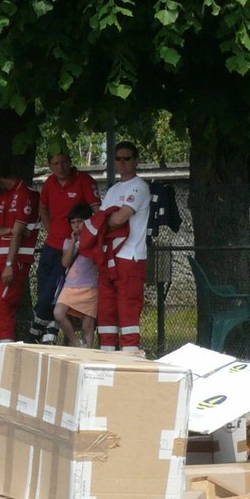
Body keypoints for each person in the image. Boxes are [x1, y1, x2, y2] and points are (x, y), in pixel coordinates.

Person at [32, 149, 98, 341]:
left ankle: (46, 334)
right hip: (52, 245)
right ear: (50, 166)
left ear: (70, 162)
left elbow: (97, 210)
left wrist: (89, 236)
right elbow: (42, 208)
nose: (60, 167)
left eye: (63, 162)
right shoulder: (49, 184)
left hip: (77, 248)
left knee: (57, 292)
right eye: (55, 164)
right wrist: (51, 229)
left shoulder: (84, 181)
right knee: (44, 291)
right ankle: (42, 335)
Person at [0, 156, 39, 354]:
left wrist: (9, 263)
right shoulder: (3, 196)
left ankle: (5, 353)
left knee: (3, 306)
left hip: (13, 262)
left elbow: (20, 232)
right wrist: (10, 230)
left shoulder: (25, 193)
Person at [98, 142, 151, 356]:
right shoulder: (113, 190)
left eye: (127, 158)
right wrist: (107, 219)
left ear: (136, 161)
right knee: (107, 311)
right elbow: (103, 219)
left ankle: (130, 359)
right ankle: (106, 357)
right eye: (118, 158)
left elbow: (118, 218)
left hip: (131, 257)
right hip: (109, 256)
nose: (122, 162)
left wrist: (108, 218)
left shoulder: (139, 186)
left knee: (128, 311)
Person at [54, 203, 99, 347]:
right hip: (70, 285)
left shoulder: (94, 240)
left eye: (79, 222)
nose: (76, 225)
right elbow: (65, 262)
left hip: (89, 285)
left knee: (88, 325)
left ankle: (89, 352)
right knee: (58, 313)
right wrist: (74, 241)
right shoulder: (68, 242)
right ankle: (76, 343)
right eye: (73, 222)